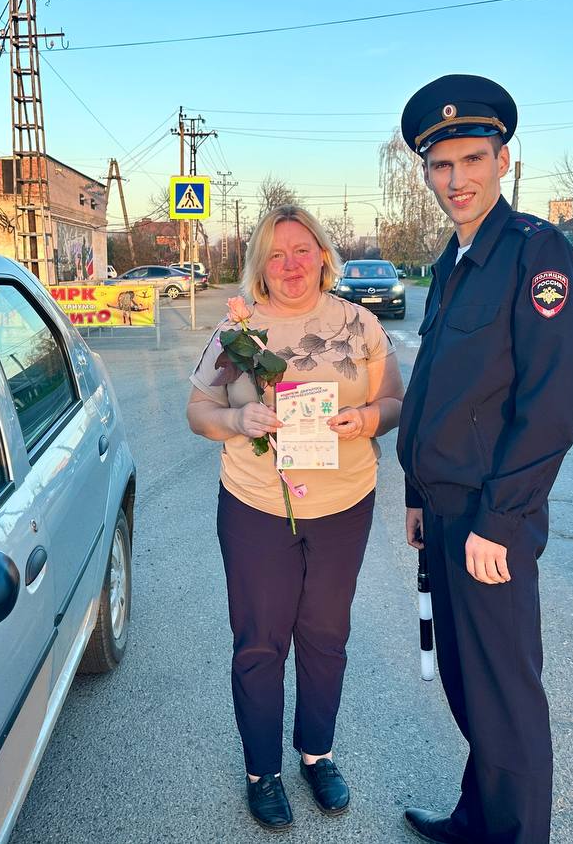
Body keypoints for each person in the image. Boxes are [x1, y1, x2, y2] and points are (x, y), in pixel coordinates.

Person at [395, 75, 573, 843]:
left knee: (505, 696)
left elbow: (549, 406)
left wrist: (500, 522)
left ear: (504, 160)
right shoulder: (453, 260)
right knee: (471, 691)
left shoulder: (534, 253)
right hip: (441, 510)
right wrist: (414, 491)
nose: (457, 180)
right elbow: (439, 389)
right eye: (441, 166)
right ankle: (480, 820)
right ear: (426, 172)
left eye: (473, 159)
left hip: (487, 520)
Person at [186, 204, 404, 831]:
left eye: (302, 250)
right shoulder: (237, 332)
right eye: (276, 254)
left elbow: (393, 399)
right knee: (259, 642)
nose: (290, 265)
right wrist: (236, 420)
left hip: (343, 505)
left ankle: (317, 754)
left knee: (325, 637)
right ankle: (263, 771)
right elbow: (198, 410)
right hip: (257, 506)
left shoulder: (360, 326)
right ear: (259, 263)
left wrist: (366, 420)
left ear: (323, 255)